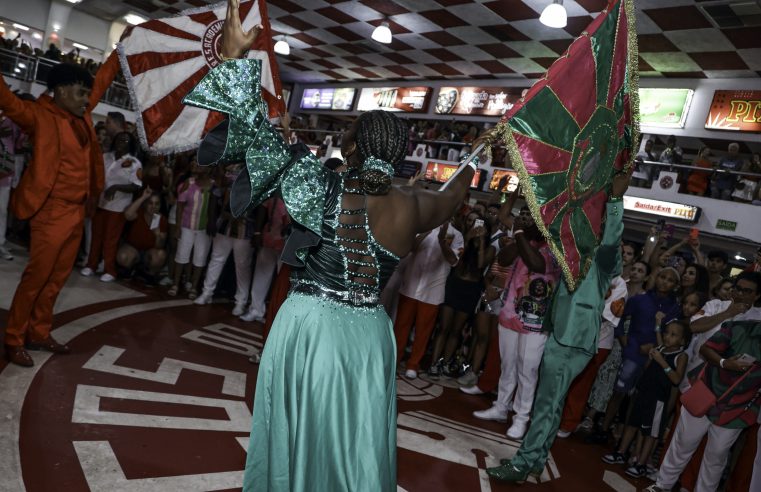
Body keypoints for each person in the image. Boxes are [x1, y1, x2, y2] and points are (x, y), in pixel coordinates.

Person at [181, 2, 496, 488]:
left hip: (312, 326)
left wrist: (234, 60)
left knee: (296, 432)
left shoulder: (322, 183)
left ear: (353, 146)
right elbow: (454, 196)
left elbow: (252, 135)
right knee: (355, 439)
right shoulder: (419, 205)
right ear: (401, 151)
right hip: (371, 334)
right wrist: (477, 159)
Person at [486, 171, 628, 481]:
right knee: (553, 402)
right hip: (563, 334)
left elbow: (612, 236)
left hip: (572, 339)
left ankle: (522, 464)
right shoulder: (575, 255)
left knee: (547, 404)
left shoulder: (605, 259)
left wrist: (615, 200)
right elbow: (558, 226)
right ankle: (536, 459)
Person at [1, 55, 119, 367]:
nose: (87, 100)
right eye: (81, 93)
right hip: (50, 211)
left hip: (78, 211)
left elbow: (102, 80)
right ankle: (14, 337)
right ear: (62, 91)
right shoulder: (38, 115)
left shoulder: (80, 113)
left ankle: (39, 332)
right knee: (36, 278)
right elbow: (7, 101)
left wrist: (120, 53)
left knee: (57, 279)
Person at [646, 306, 761, 492]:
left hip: (738, 408)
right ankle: (662, 485)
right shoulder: (738, 327)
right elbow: (705, 349)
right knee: (683, 442)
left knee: (716, 456)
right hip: (706, 393)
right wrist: (725, 363)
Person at [473, 205, 560, 441]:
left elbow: (539, 265)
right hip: (511, 313)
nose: (529, 222)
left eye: (535, 220)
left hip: (536, 320)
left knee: (527, 369)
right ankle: (501, 407)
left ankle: (521, 418)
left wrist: (521, 235)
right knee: (508, 364)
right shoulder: (524, 241)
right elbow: (503, 258)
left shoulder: (556, 246)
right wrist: (521, 238)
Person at [602, 320, 689, 478]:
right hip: (644, 393)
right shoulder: (660, 349)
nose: (668, 337)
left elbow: (676, 379)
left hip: (658, 400)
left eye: (673, 335)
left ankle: (641, 463)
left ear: (682, 340)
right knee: (632, 424)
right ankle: (621, 452)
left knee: (651, 433)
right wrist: (651, 358)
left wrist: (662, 361)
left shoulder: (681, 356)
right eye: (666, 333)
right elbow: (648, 369)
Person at [394, 220, 463, 380]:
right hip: (411, 285)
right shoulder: (421, 226)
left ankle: (413, 364)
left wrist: (441, 241)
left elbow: (453, 261)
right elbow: (410, 248)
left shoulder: (456, 235)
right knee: (401, 327)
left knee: (423, 331)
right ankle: (395, 360)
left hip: (433, 289)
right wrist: (426, 230)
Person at [81, 131, 142, 282]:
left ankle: (110, 270)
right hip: (101, 203)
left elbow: (136, 186)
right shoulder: (105, 157)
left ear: (131, 144)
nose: (121, 142)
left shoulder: (134, 163)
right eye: (119, 139)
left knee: (110, 239)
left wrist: (116, 187)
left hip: (118, 207)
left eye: (126, 140)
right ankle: (91, 265)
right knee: (96, 236)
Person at [194, 171, 255, 315]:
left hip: (244, 228)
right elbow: (215, 194)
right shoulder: (230, 173)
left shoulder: (258, 177)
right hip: (225, 225)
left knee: (242, 266)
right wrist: (212, 219)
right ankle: (206, 293)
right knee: (217, 259)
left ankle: (240, 302)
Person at [168, 160, 214, 299]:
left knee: (199, 258)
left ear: (210, 168)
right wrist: (177, 227)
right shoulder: (188, 184)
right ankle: (175, 284)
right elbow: (180, 206)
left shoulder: (214, 185)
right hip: (187, 226)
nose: (199, 167)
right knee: (182, 255)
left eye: (203, 165)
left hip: (204, 229)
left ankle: (194, 287)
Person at [117, 188, 167, 280]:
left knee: (160, 256)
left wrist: (158, 235)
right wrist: (143, 197)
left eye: (157, 204)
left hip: (148, 252)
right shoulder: (139, 213)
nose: (153, 207)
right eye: (150, 203)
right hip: (133, 248)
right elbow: (127, 214)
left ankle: (147, 273)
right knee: (123, 256)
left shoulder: (161, 219)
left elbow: (159, 246)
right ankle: (130, 268)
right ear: (145, 204)